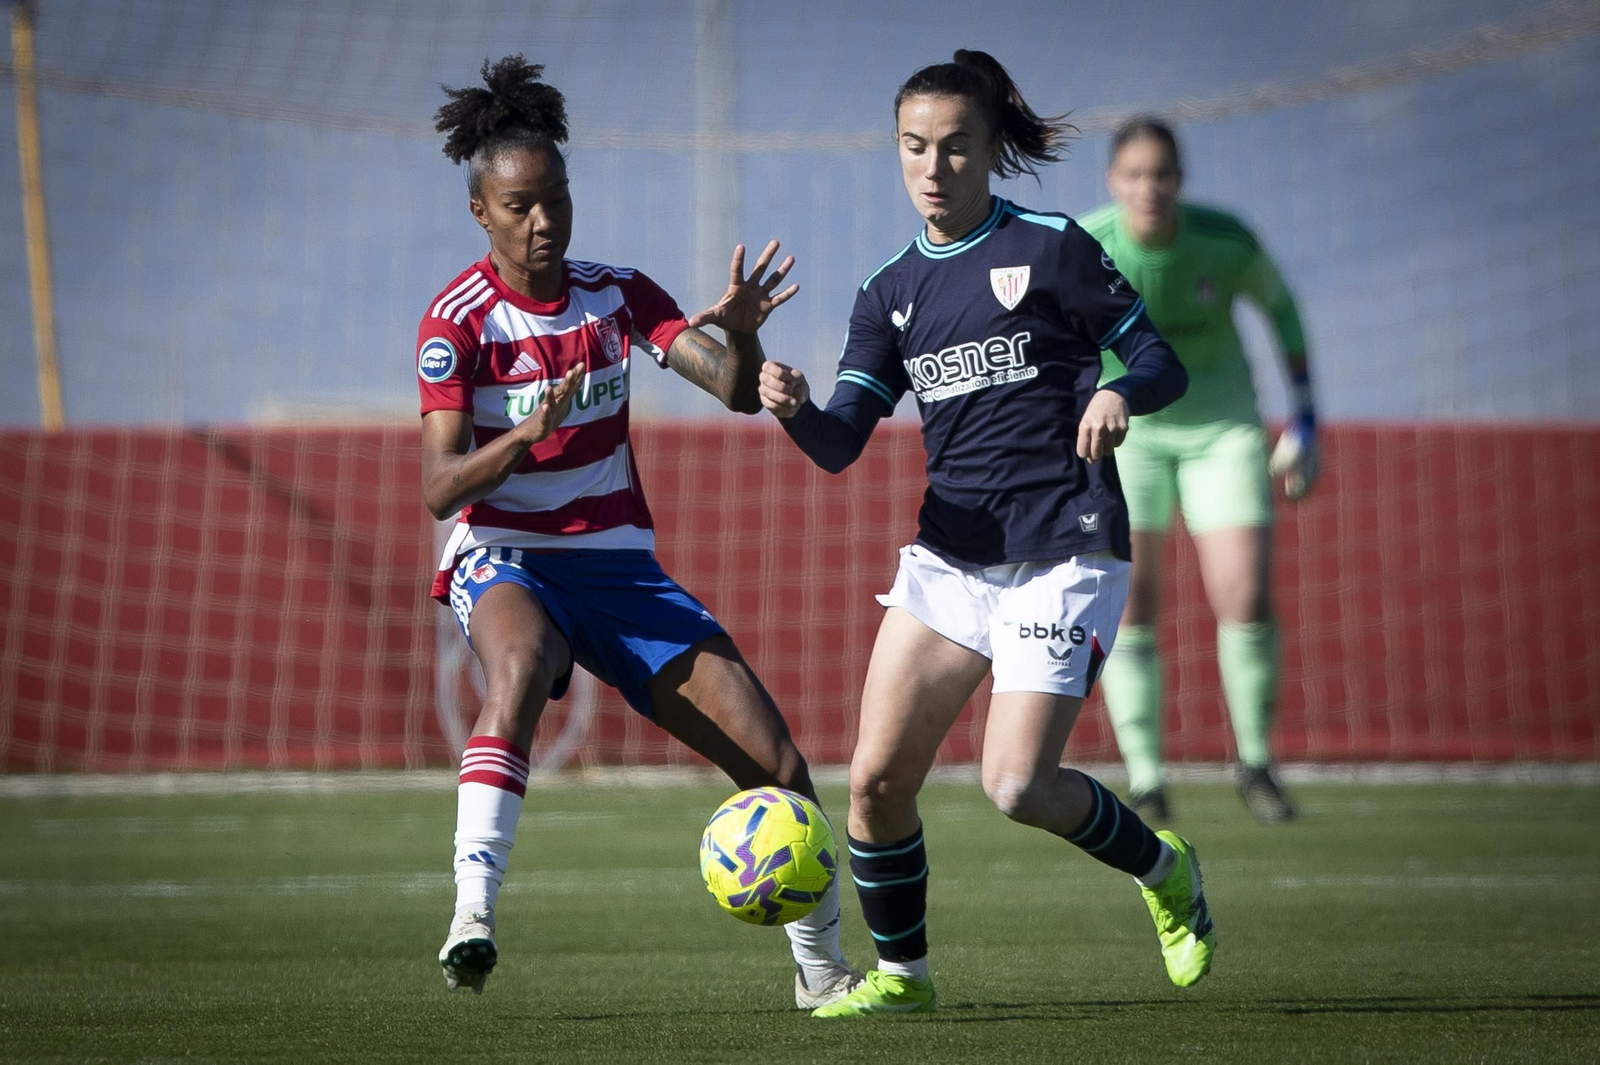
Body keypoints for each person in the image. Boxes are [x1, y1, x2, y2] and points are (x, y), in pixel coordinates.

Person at [758, 50, 1212, 1017]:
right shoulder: (887, 291)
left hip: (1066, 543)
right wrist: (792, 403)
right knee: (875, 783)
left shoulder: (1052, 248)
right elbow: (841, 442)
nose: (934, 167)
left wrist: (1122, 390)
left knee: (1015, 783)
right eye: (915, 148)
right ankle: (903, 979)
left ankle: (1163, 869)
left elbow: (1159, 360)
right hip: (952, 559)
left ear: (990, 149)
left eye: (956, 147)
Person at [417, 55, 860, 1008]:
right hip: (502, 553)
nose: (545, 222)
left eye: (558, 200)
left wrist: (740, 335)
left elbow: (735, 394)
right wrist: (524, 440)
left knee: (776, 765)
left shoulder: (619, 296)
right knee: (520, 666)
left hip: (617, 565)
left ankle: (822, 976)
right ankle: (472, 914)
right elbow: (440, 488)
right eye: (522, 205)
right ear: (483, 213)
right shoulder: (458, 325)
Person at [1079, 118, 1316, 825]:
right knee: (1135, 600)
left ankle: (1255, 763)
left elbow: (1284, 312)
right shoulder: (1088, 248)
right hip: (1133, 432)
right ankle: (1148, 779)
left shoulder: (1227, 241)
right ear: (1112, 182)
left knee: (1244, 595)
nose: (1149, 187)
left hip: (1223, 427)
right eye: (1134, 174)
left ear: (1180, 179)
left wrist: (1305, 415)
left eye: (1162, 174)